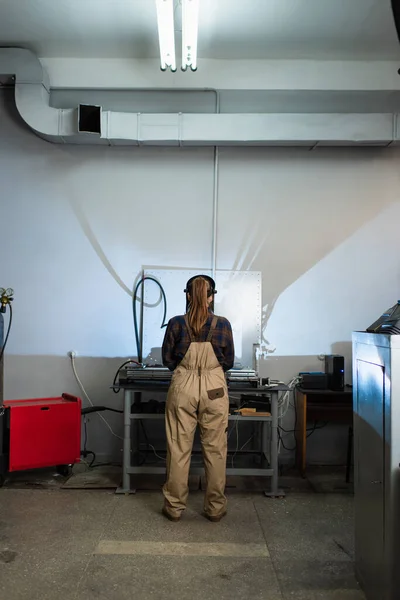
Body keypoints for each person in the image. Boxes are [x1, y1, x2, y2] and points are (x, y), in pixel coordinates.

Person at [161, 275, 234, 523]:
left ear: (188, 295)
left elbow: (168, 360)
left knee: (178, 448)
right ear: (211, 296)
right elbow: (229, 361)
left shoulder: (176, 324)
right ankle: (214, 508)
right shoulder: (223, 324)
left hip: (183, 387)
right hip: (215, 389)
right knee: (215, 450)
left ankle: (174, 508)